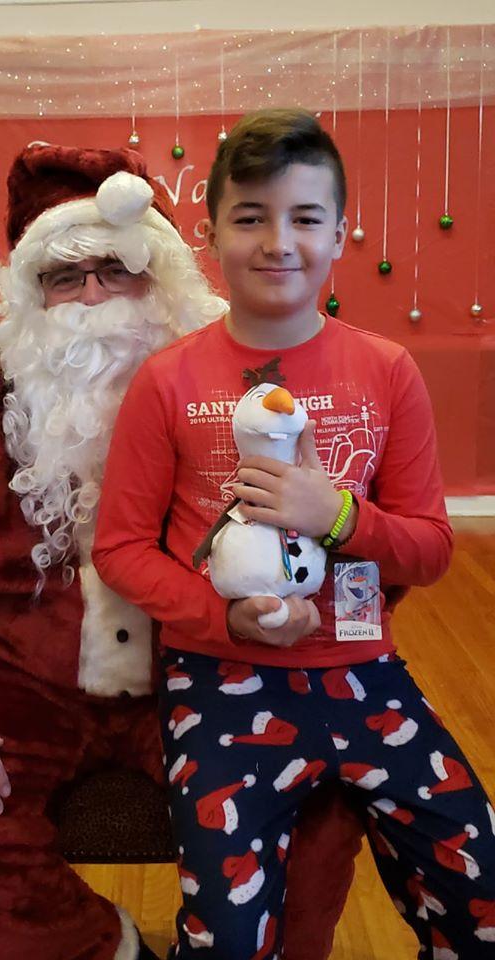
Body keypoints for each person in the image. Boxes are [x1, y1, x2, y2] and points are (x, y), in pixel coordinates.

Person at [0, 143, 361, 960]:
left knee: (316, 803)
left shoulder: (240, 379)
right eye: (65, 276)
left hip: (205, 662)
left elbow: (346, 524)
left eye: (116, 269)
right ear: (29, 292)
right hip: (16, 676)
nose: (93, 296)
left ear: (160, 278)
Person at [93, 110, 495, 960]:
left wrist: (337, 515)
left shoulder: (387, 370)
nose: (279, 242)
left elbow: (430, 548)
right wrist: (222, 618)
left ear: (340, 235)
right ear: (211, 236)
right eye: (251, 217)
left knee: (482, 895)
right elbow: (120, 549)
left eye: (306, 218)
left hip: (364, 670)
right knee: (227, 940)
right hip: (220, 680)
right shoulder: (166, 382)